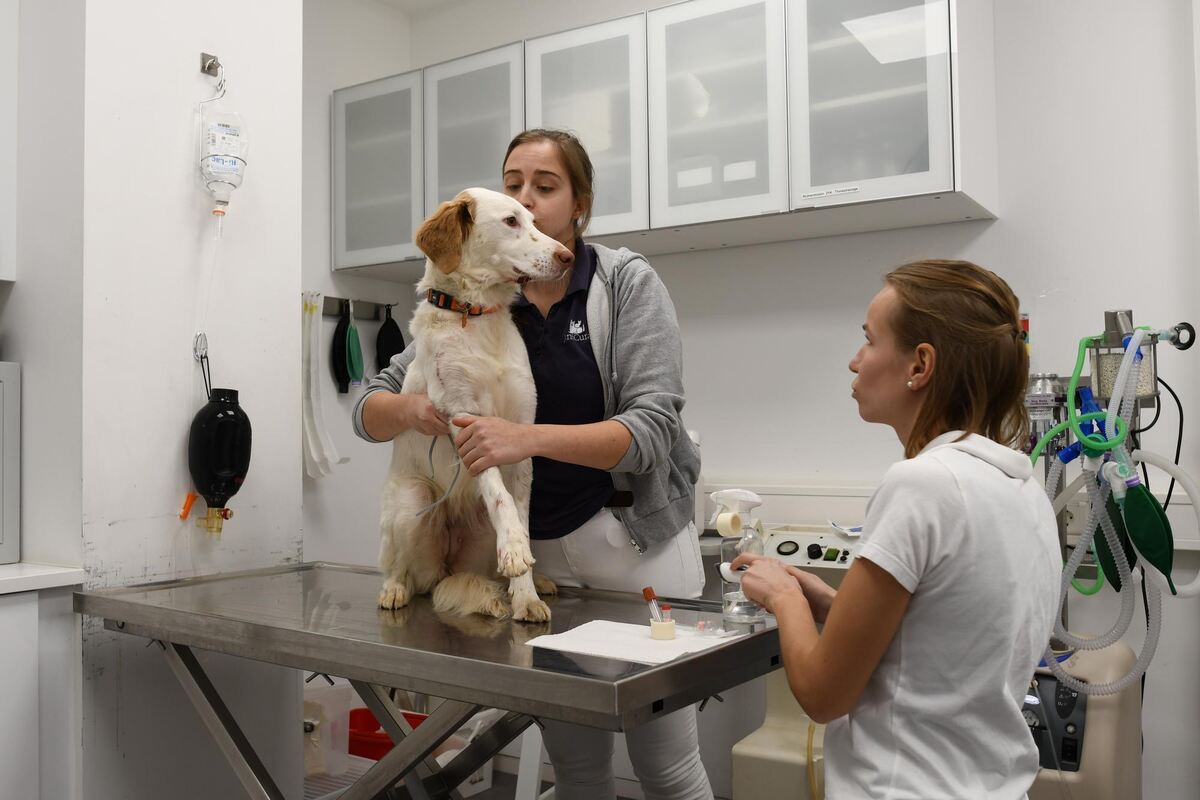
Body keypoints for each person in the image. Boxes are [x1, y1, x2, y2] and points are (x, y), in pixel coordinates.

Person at [353, 128, 711, 800]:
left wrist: (526, 439)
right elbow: (370, 409)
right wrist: (413, 409)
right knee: (576, 769)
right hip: (537, 558)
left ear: (580, 204)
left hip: (634, 550)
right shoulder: (478, 298)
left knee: (666, 769)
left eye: (545, 187)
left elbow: (653, 429)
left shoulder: (623, 283)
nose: (526, 199)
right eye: (513, 186)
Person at [734, 260, 1060, 799]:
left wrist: (783, 598)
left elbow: (822, 695)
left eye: (869, 340)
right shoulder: (1021, 485)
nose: (854, 360)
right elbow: (946, 645)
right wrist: (829, 605)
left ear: (920, 365)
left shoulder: (922, 485)